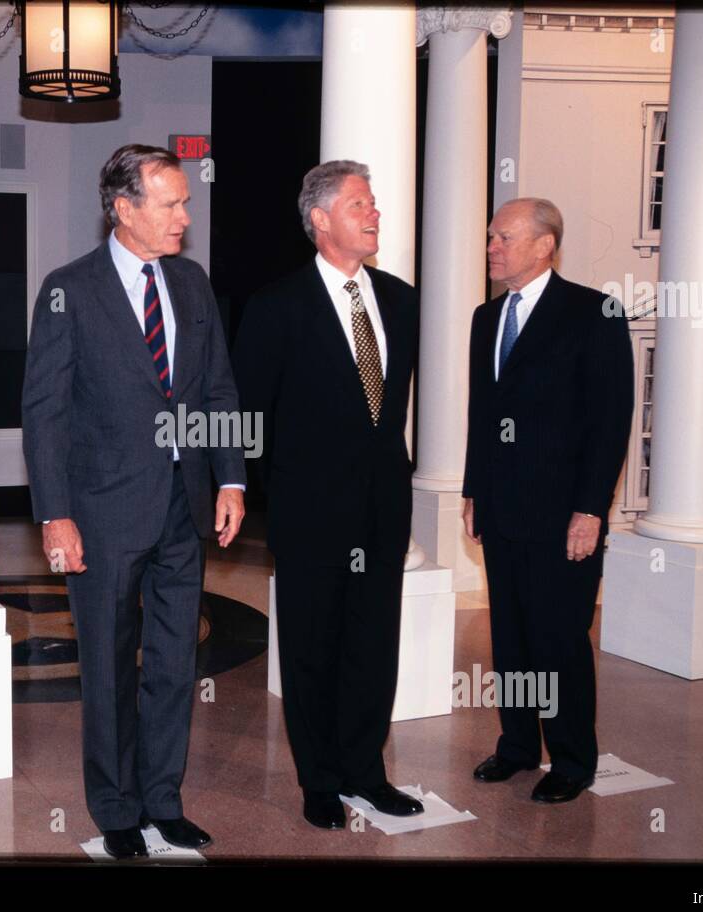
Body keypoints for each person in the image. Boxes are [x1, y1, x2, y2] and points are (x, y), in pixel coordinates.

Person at [21, 144, 246, 859]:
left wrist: (232, 477)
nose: (186, 216)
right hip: (101, 514)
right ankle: (115, 808)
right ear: (124, 209)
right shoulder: (68, 289)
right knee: (111, 666)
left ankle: (163, 800)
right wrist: (55, 515)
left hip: (184, 508)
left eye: (185, 202)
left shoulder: (192, 283)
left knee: (176, 663)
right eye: (172, 203)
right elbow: (45, 412)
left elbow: (217, 388)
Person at [232, 160, 423, 830]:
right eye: (358, 205)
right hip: (309, 515)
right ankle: (319, 780)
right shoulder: (276, 306)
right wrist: (255, 498)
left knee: (373, 644)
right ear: (319, 220)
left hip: (382, 512)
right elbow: (249, 415)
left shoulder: (401, 300)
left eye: (374, 203)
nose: (374, 214)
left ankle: (365, 773)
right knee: (312, 647)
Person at [462, 197, 634, 803]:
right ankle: (516, 747)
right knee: (510, 634)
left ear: (544, 245)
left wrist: (591, 508)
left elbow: (611, 419)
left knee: (558, 637)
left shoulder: (594, 312)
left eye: (503, 237)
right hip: (502, 508)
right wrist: (472, 488)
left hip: (566, 515)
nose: (492, 247)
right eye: (490, 237)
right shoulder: (488, 317)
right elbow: (482, 412)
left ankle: (571, 759)